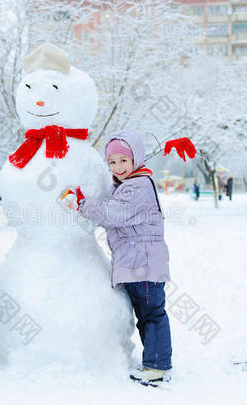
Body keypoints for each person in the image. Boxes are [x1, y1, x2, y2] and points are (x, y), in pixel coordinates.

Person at [62, 129, 172, 386]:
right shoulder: (127, 185)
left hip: (143, 265)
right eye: (112, 162)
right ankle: (154, 362)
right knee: (146, 315)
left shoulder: (138, 186)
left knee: (152, 314)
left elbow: (112, 214)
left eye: (124, 160)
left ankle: (158, 366)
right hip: (135, 262)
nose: (118, 167)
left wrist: (81, 203)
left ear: (136, 159)